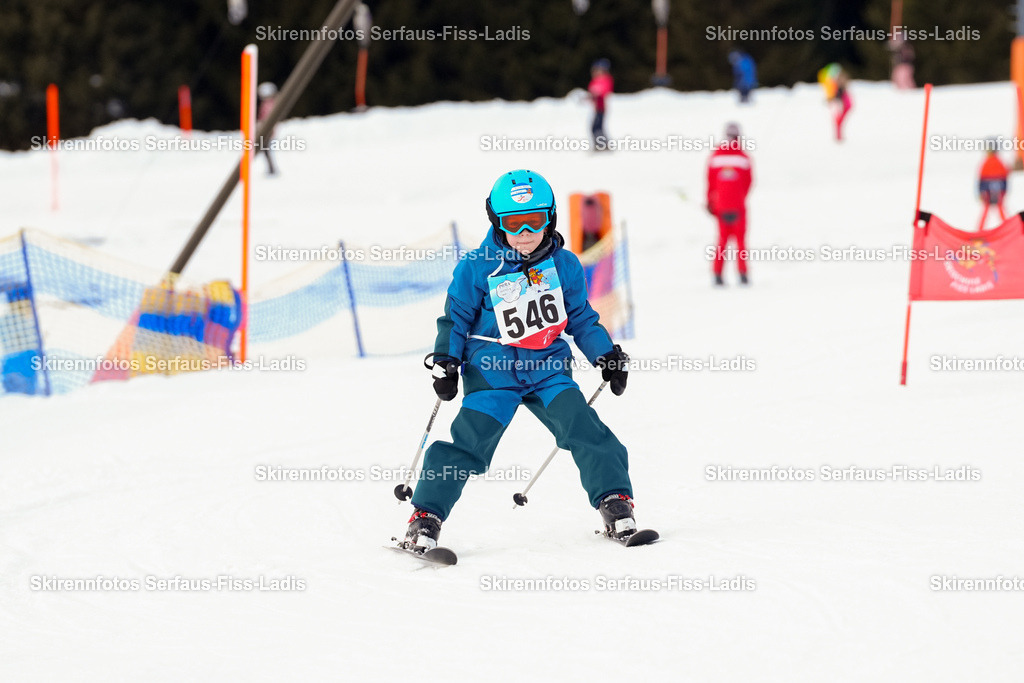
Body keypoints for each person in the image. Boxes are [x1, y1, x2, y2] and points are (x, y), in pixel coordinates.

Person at [401, 169, 640, 550]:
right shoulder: (477, 266)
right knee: (468, 443)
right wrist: (447, 361)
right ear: (498, 222)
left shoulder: (564, 265)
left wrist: (606, 355)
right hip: (493, 373)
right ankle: (425, 517)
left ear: (551, 219)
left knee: (583, 426)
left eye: (536, 221)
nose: (526, 232)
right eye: (515, 223)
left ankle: (615, 502)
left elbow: (580, 317)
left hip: (547, 370)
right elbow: (455, 318)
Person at [707, 123, 753, 286]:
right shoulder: (743, 157)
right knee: (740, 241)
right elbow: (749, 182)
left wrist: (710, 202)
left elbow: (710, 182)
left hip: (721, 206)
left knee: (722, 241)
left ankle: (717, 275)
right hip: (738, 206)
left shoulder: (715, 156)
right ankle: (742, 274)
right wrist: (740, 197)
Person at [978, 145, 1009, 230]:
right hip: (994, 189)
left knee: (993, 208)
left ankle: (980, 229)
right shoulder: (998, 162)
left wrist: (980, 191)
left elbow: (981, 179)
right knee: (996, 208)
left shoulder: (990, 162)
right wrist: (1004, 190)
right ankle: (1007, 227)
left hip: (991, 190)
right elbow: (1005, 178)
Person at [588, 59, 613, 149]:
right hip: (596, 108)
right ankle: (600, 144)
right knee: (594, 127)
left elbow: (605, 90)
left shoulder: (606, 80)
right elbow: (592, 93)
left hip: (601, 108)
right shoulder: (594, 81)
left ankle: (602, 145)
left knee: (598, 128)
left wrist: (597, 92)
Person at [256, 81, 278, 175]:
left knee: (265, 149)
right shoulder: (269, 103)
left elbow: (268, 117)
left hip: (267, 129)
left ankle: (271, 169)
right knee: (265, 149)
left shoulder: (270, 104)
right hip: (265, 128)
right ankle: (271, 168)